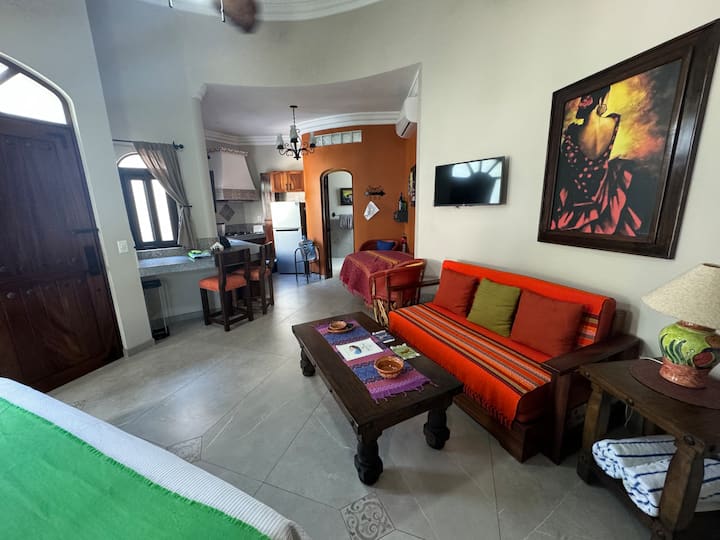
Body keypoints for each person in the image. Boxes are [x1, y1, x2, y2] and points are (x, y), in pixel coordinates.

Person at [551, 86, 645, 236]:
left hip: (578, 199)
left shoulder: (573, 132)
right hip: (603, 195)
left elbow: (566, 167)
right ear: (602, 99)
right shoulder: (613, 121)